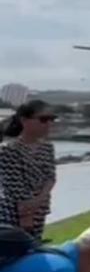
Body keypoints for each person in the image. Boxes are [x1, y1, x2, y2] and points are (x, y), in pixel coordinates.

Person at [1, 101, 57, 242]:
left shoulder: (47, 148)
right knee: (14, 249)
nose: (49, 123)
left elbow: (51, 176)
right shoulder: (8, 149)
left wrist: (39, 201)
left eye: (52, 119)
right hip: (13, 210)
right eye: (43, 119)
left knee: (33, 247)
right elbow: (14, 185)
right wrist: (26, 214)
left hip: (39, 208)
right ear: (24, 120)